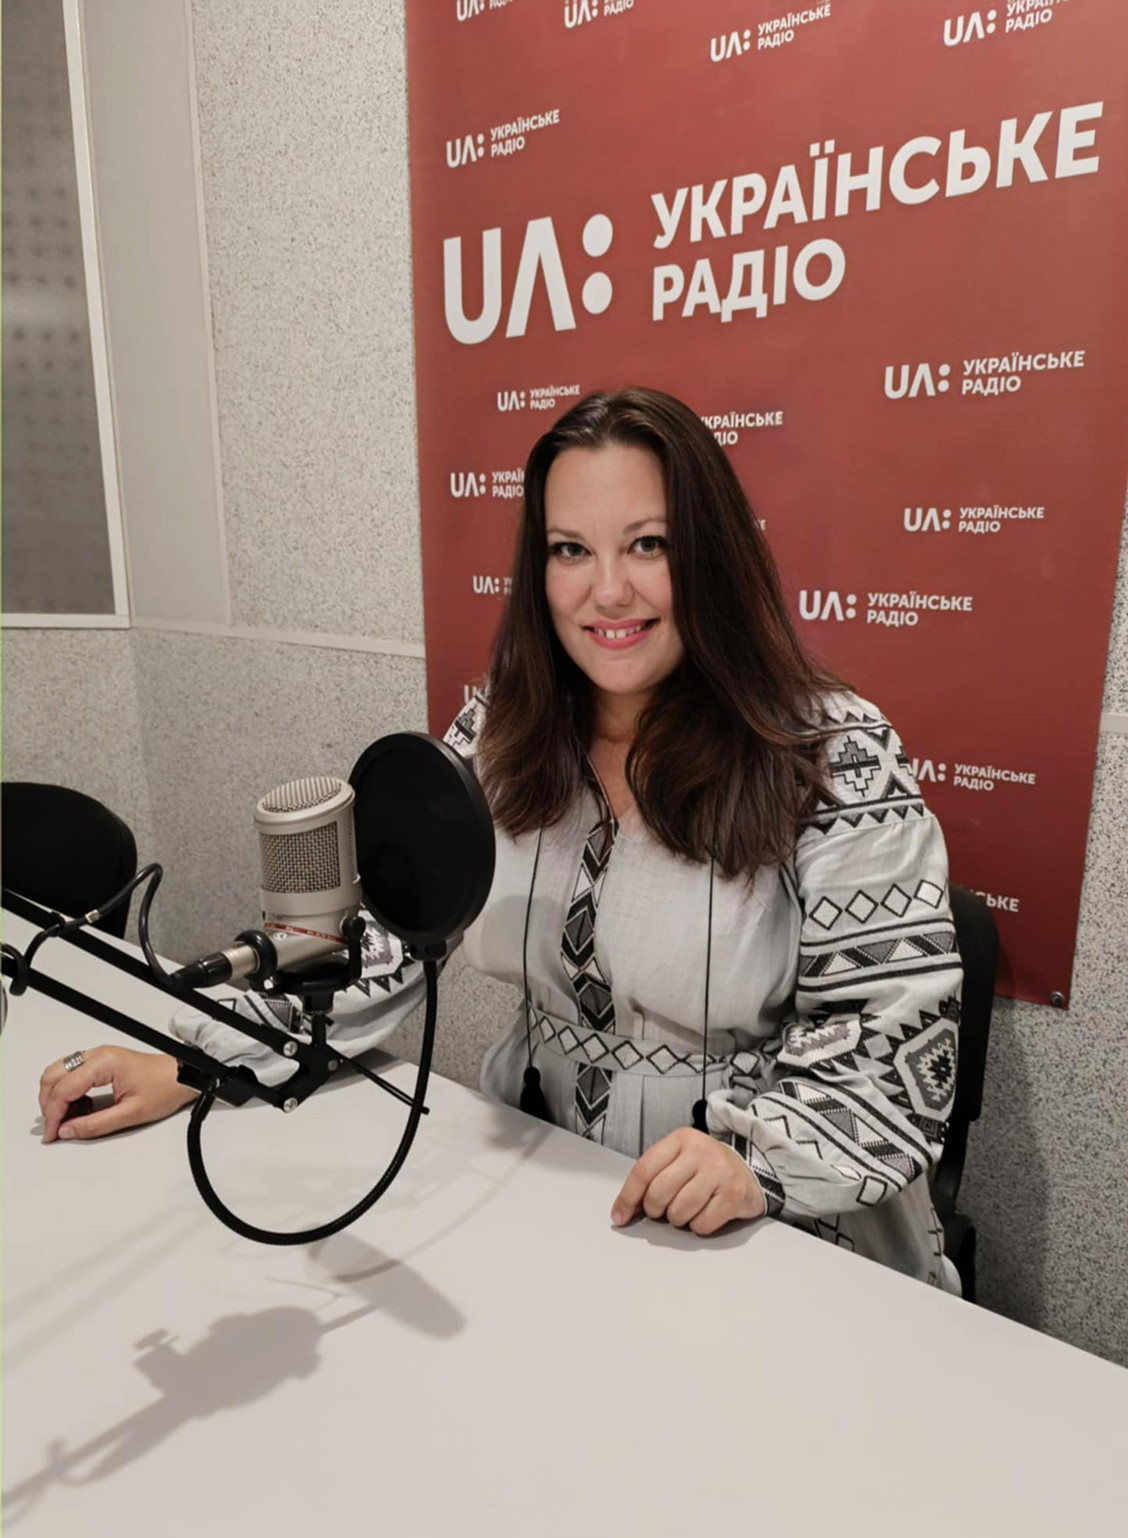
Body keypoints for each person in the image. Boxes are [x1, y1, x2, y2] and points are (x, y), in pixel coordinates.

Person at [38, 388, 962, 1287]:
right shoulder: (500, 734)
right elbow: (389, 934)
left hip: (772, 1239)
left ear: (710, 554)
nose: (608, 590)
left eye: (648, 544)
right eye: (571, 549)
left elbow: (892, 1039)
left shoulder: (830, 755)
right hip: (550, 1200)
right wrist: (204, 1057)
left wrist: (753, 1161)